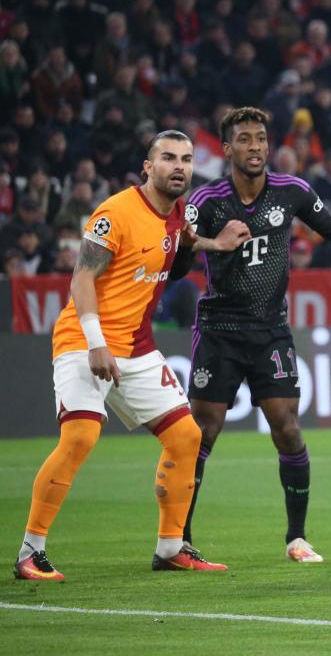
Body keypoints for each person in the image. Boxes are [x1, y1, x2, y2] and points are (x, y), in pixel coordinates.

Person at [14, 131, 247, 580]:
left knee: (186, 437)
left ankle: (171, 548)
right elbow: (81, 278)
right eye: (168, 158)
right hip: (85, 339)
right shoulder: (115, 212)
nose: (178, 166)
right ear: (148, 167)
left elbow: (177, 240)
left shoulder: (177, 211)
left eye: (186, 159)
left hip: (136, 347)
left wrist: (214, 244)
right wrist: (95, 341)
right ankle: (30, 552)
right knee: (80, 438)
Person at [183, 107, 331, 563]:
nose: (255, 146)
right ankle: (179, 539)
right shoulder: (207, 200)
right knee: (201, 435)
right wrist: (213, 242)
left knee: (288, 429)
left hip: (270, 331)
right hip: (219, 330)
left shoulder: (291, 191)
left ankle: (296, 537)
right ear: (227, 148)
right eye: (244, 139)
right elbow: (179, 256)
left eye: (260, 137)